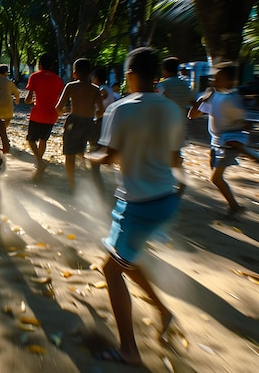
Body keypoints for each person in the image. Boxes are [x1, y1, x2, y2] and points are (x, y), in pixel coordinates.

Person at [85, 47, 185, 366]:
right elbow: (175, 160)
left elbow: (110, 156)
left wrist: (92, 157)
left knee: (111, 270)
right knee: (129, 259)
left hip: (137, 203)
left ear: (129, 74)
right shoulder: (170, 109)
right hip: (165, 200)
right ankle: (163, 310)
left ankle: (128, 348)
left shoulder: (122, 109)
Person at [188, 62, 259, 218]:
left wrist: (245, 124)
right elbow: (192, 115)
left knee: (216, 177)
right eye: (215, 77)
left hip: (230, 139)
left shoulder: (231, 99)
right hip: (217, 142)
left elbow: (245, 122)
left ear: (229, 81)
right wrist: (202, 100)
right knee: (216, 177)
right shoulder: (211, 96)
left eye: (220, 78)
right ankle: (234, 206)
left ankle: (252, 155)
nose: (215, 80)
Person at [55, 58, 104, 192]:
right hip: (89, 123)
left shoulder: (71, 86)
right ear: (90, 74)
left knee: (69, 156)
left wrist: (65, 111)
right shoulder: (95, 89)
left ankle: (72, 185)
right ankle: (89, 181)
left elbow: (58, 108)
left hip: (74, 122)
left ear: (74, 73)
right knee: (83, 153)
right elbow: (101, 111)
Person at [24, 53, 64, 175]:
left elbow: (28, 99)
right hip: (52, 115)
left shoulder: (34, 76)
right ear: (51, 66)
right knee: (43, 140)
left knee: (31, 139)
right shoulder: (58, 79)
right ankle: (38, 164)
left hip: (38, 114)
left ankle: (39, 161)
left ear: (39, 65)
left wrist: (30, 101)